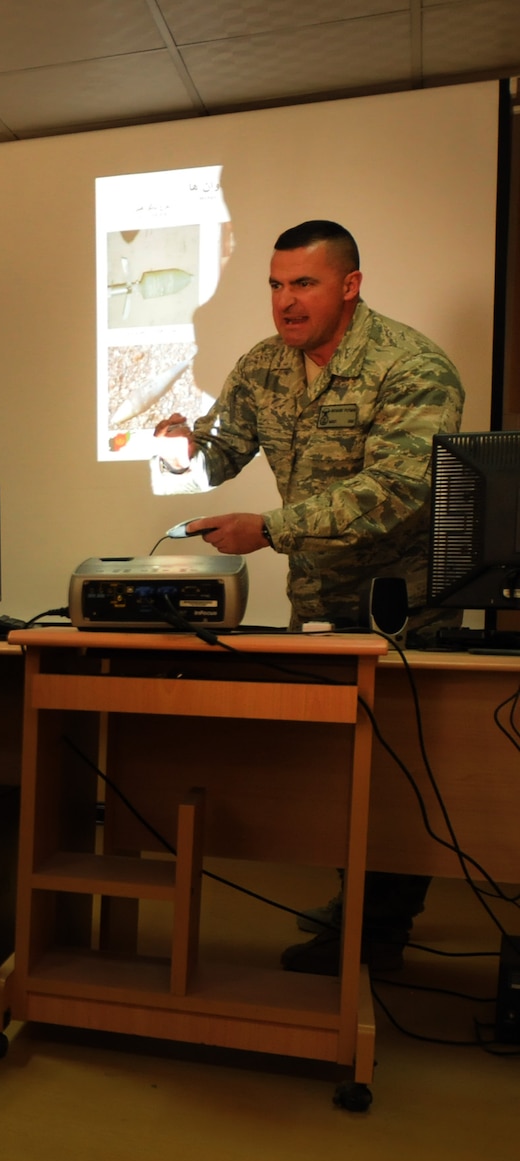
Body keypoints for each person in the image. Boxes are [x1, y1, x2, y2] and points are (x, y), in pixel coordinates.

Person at [153, 219, 466, 977]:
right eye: (275, 285)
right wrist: (183, 448)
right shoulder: (264, 365)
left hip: (403, 609)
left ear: (349, 286)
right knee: (335, 766)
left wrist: (271, 528)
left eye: (304, 284)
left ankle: (380, 933)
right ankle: (353, 902)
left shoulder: (412, 366)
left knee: (394, 774)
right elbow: (220, 452)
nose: (285, 302)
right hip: (318, 604)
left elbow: (397, 491)